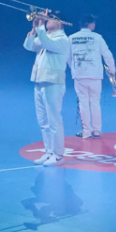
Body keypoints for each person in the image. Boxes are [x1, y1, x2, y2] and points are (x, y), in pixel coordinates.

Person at [24, 11, 71, 164]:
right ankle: (49, 151)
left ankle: (58, 155)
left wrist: (40, 26)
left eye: (50, 18)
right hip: (39, 81)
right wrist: (34, 28)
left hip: (53, 83)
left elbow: (45, 42)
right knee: (43, 121)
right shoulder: (45, 37)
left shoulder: (62, 39)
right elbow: (28, 46)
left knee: (54, 121)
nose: (47, 20)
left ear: (60, 23)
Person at [65, 14, 116, 139]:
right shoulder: (97, 37)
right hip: (95, 75)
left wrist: (74, 68)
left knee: (83, 103)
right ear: (90, 24)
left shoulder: (71, 38)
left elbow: (67, 57)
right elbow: (107, 54)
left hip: (79, 76)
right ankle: (97, 130)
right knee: (95, 103)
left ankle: (86, 131)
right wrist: (112, 70)